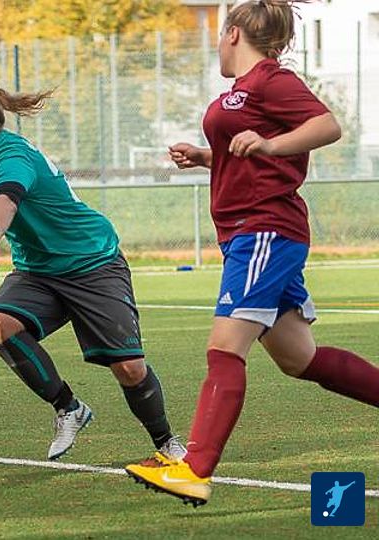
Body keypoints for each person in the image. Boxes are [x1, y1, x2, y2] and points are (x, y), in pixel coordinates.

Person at [125, 0, 379, 507]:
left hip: (264, 231)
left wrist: (269, 145)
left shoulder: (270, 79)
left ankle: (195, 469)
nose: (217, 45)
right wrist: (208, 156)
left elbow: (327, 126)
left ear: (233, 34)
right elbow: (246, 150)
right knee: (299, 358)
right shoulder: (240, 91)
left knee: (224, 348)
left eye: (219, 36)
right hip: (251, 234)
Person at [0, 80, 186, 463]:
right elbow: (7, 214)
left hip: (92, 262)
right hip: (39, 271)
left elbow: (8, 200)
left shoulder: (11, 154)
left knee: (129, 368)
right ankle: (68, 407)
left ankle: (168, 443)